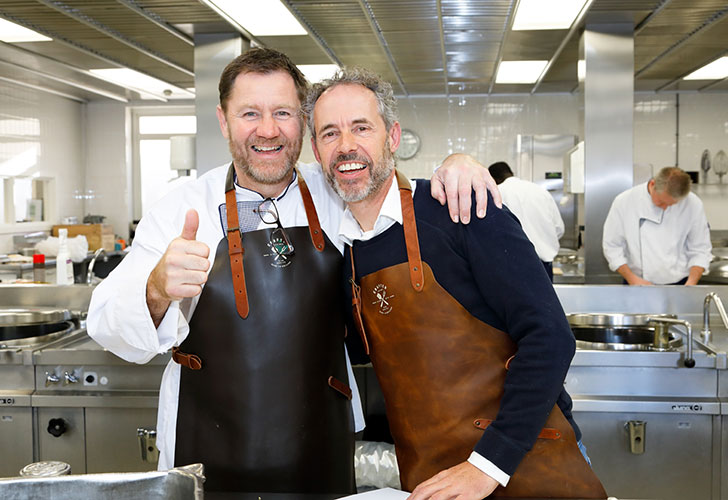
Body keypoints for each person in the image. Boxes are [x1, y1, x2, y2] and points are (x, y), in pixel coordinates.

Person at [86, 48, 500, 494]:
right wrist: (155, 289)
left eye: (283, 112)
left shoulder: (337, 189)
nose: (268, 130)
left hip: (320, 444)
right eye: (249, 114)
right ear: (224, 122)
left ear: (302, 122)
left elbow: (395, 187)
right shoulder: (182, 207)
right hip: (206, 446)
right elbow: (105, 323)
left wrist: (457, 165)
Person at [305, 67, 606, 499]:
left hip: (527, 465)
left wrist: (487, 466)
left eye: (361, 127)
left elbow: (551, 337)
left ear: (392, 137)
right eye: (330, 133)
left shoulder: (461, 208)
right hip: (434, 478)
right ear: (316, 150)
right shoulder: (348, 250)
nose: (346, 145)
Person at [602, 166, 712, 286]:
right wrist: (632, 279)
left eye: (672, 205)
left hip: (680, 283)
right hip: (636, 282)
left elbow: (700, 249)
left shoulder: (693, 204)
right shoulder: (624, 201)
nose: (665, 208)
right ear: (653, 184)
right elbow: (612, 246)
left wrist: (691, 283)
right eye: (661, 202)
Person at [489, 161, 564, 279]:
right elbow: (559, 228)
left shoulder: (497, 193)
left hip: (511, 266)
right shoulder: (541, 191)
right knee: (544, 297)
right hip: (544, 267)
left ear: (493, 179)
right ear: (511, 173)